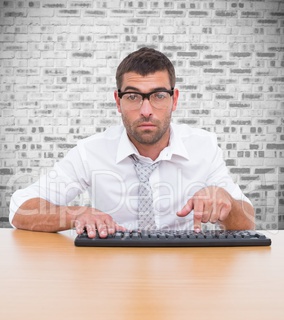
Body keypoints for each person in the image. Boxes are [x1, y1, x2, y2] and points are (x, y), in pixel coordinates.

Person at [9, 47, 255, 238]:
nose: (146, 110)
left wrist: (228, 204)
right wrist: (77, 214)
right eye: (133, 96)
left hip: (183, 273)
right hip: (113, 274)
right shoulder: (91, 151)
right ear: (118, 102)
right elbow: (21, 209)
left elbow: (247, 220)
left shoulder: (204, 147)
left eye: (159, 95)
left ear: (174, 99)